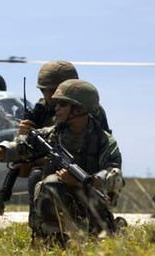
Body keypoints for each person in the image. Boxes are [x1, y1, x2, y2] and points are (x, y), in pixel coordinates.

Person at [0, 79, 124, 247]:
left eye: (62, 104)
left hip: (92, 204)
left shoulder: (104, 140)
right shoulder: (53, 134)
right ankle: (52, 240)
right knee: (49, 183)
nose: (56, 108)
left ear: (79, 109)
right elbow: (22, 147)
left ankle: (107, 229)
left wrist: (83, 181)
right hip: (63, 200)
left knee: (103, 244)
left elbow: (114, 176)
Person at [17, 60, 112, 235]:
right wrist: (24, 134)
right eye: (43, 90)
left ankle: (99, 225)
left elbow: (99, 148)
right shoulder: (42, 108)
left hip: (85, 168)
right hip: (51, 166)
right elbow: (27, 153)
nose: (48, 95)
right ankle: (40, 231)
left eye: (51, 90)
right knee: (36, 176)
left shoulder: (90, 109)